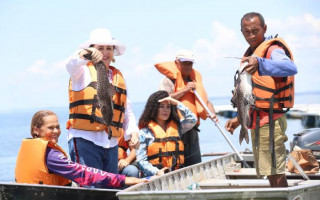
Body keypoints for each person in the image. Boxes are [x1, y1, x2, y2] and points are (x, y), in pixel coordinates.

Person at [225, 12, 297, 187]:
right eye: (246, 31)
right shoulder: (251, 53)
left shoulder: (273, 50)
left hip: (271, 120)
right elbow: (250, 94)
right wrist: (239, 118)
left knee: (276, 169)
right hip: (257, 120)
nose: (251, 35)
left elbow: (290, 67)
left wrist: (261, 63)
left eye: (255, 30)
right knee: (268, 170)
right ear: (241, 32)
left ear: (264, 28)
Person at [66, 28, 140, 176]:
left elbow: (126, 110)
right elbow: (71, 64)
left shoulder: (118, 77)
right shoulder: (81, 72)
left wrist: (133, 133)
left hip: (111, 144)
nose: (105, 52)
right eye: (100, 48)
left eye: (109, 48)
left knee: (109, 189)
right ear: (91, 50)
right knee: (92, 188)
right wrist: (85, 54)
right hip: (85, 141)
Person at [15, 110, 146, 188]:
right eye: (50, 128)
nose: (56, 131)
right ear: (36, 130)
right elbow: (82, 173)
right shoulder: (49, 155)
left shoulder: (31, 147)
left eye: (57, 127)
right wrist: (123, 179)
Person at [156, 50, 218, 166]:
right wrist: (185, 89)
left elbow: (207, 101)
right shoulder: (168, 80)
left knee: (194, 164)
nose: (188, 66)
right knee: (176, 163)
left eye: (190, 63)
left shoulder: (195, 81)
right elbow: (163, 99)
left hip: (192, 129)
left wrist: (211, 112)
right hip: (174, 129)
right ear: (177, 63)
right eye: (185, 63)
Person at [136, 91, 197, 177]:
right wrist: (157, 172)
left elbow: (192, 119)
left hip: (177, 175)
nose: (165, 110)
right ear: (154, 108)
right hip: (156, 177)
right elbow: (141, 161)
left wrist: (176, 103)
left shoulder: (178, 127)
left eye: (168, 107)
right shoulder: (144, 133)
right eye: (161, 106)